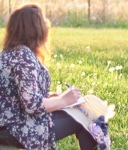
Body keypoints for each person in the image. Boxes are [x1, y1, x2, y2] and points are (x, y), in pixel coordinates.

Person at [0, 4, 98, 150]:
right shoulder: (23, 56)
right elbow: (32, 106)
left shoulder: (8, 53)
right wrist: (64, 100)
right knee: (88, 117)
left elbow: (18, 95)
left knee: (83, 113)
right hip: (16, 129)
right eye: (43, 21)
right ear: (35, 28)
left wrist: (51, 97)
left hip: (8, 124)